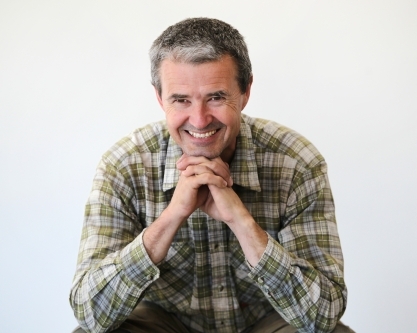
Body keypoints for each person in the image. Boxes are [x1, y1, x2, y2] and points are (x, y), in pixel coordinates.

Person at [70, 17, 354, 333]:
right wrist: (171, 217)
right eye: (181, 100)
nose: (200, 119)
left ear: (245, 91)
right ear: (160, 98)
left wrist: (242, 223)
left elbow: (323, 314)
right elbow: (90, 314)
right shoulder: (123, 166)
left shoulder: (296, 162)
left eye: (216, 97)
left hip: (264, 324)